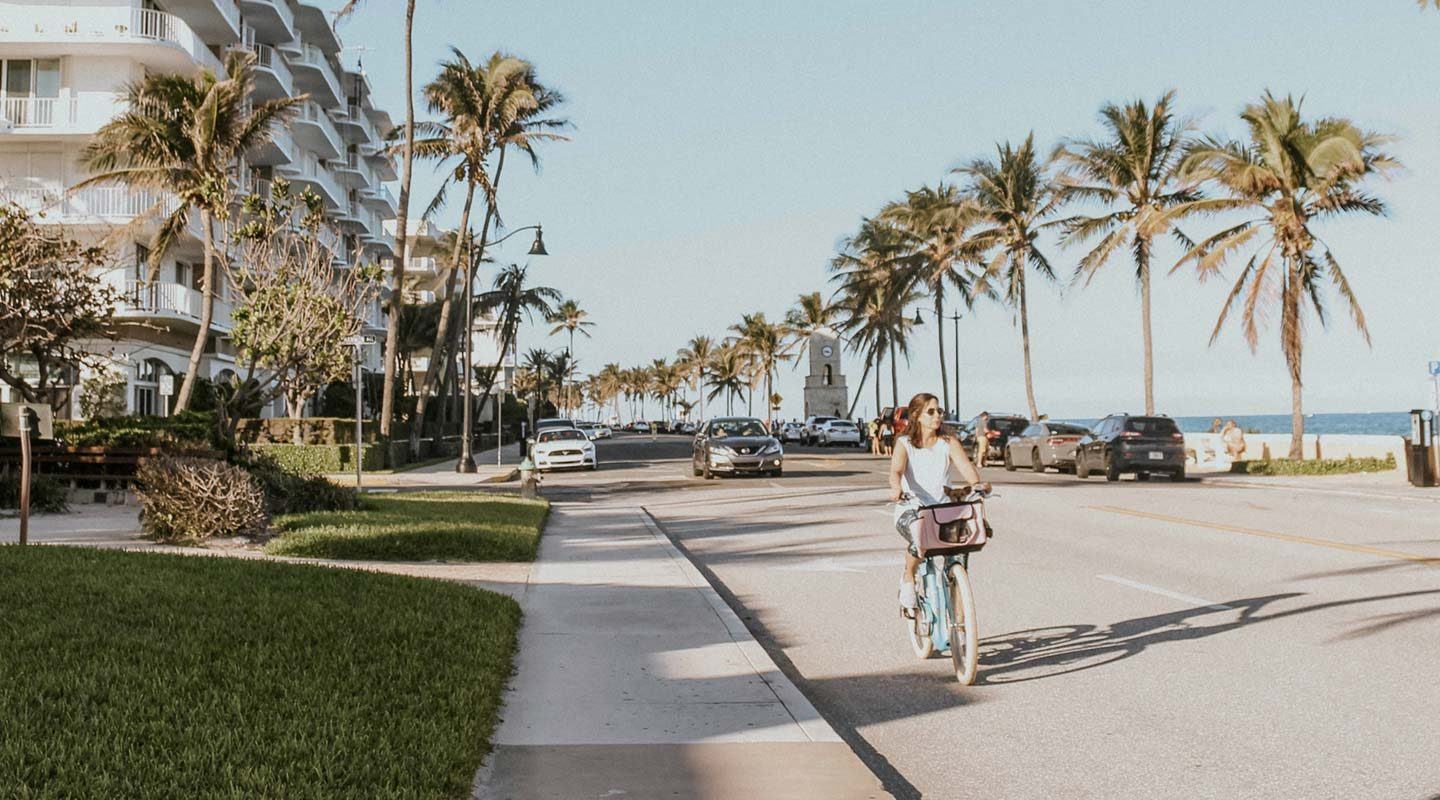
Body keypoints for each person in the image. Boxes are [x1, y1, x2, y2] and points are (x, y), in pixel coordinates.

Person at [889, 392, 986, 611]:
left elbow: (967, 470)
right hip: (912, 508)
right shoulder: (904, 443)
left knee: (961, 556)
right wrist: (896, 488)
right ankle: (908, 577)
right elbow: (896, 471)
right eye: (931, 412)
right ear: (917, 415)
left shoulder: (948, 442)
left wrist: (977, 485)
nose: (937, 416)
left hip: (943, 511)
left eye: (939, 411)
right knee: (918, 537)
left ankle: (961, 625)